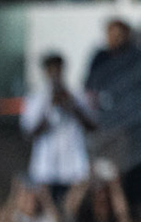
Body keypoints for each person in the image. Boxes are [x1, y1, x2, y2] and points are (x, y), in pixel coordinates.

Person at [23, 52, 94, 192]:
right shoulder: (36, 98)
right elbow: (30, 132)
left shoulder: (77, 95)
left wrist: (71, 107)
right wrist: (49, 107)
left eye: (58, 69)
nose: (55, 74)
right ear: (45, 72)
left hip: (73, 166)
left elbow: (92, 125)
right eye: (51, 70)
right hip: (45, 167)